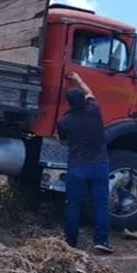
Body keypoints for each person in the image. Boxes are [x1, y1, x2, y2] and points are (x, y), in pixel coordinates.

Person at [56, 72, 112, 253]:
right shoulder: (93, 109)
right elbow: (89, 91)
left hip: (77, 167)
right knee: (101, 204)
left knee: (73, 205)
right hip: (99, 165)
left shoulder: (64, 121)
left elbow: (62, 141)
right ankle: (101, 241)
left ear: (69, 103)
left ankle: (71, 243)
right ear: (84, 100)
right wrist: (77, 78)